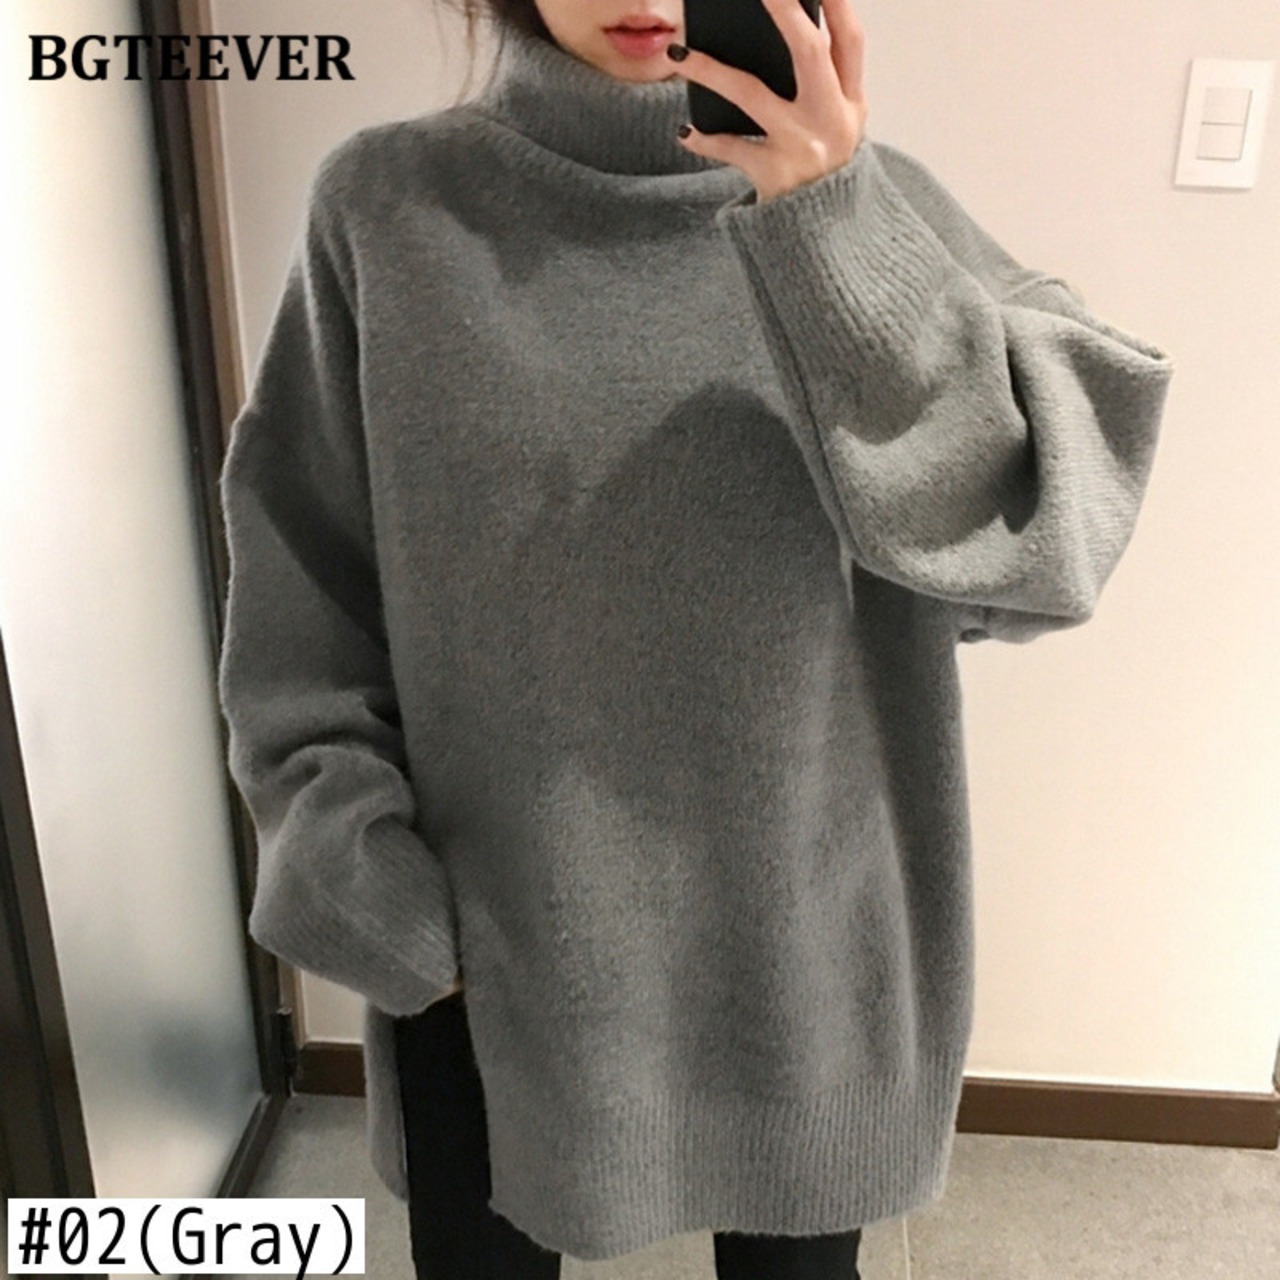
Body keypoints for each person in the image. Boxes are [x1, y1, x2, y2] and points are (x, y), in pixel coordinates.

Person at [215, 0, 1175, 1276]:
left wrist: (831, 231)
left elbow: (1041, 542)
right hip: (492, 970)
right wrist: (366, 885)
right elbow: (303, 586)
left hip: (807, 971)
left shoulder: (875, 210)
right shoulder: (387, 210)